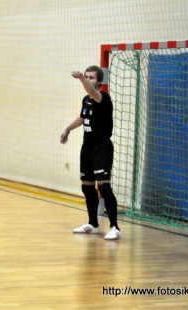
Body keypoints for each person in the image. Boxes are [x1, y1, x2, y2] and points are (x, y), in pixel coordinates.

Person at [60, 66, 120, 240]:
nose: (88, 79)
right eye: (86, 76)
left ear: (99, 82)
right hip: (87, 148)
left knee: (103, 187)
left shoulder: (103, 98)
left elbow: (91, 90)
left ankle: (114, 227)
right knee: (87, 186)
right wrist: (68, 129)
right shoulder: (86, 99)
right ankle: (93, 224)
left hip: (102, 148)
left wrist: (80, 78)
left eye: (91, 77)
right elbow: (82, 117)